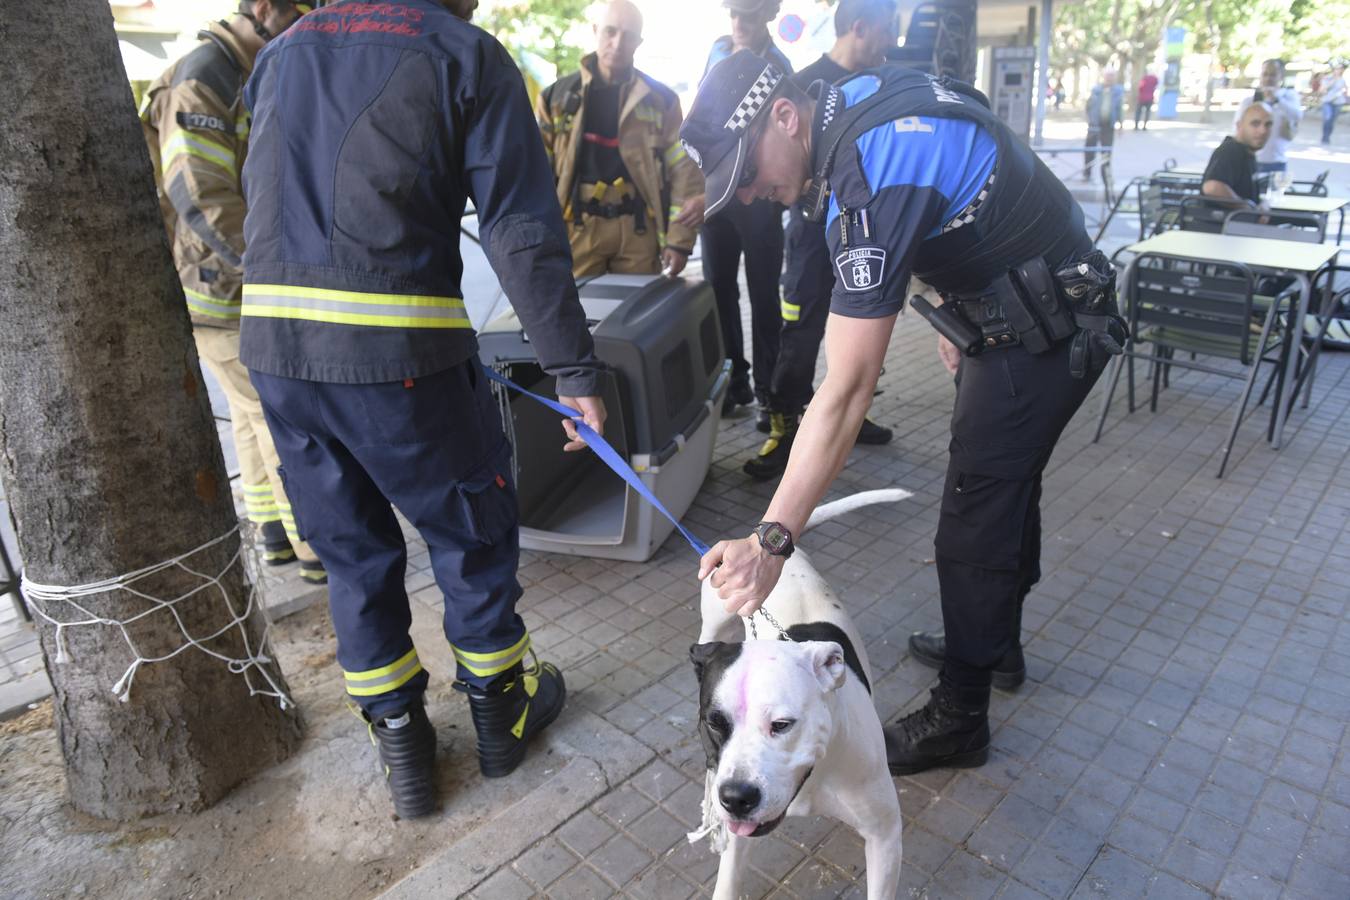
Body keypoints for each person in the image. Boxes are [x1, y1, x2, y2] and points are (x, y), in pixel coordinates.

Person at [683, 51, 1123, 775]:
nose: (754, 194)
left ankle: (962, 711)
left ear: (785, 116)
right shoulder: (854, 98)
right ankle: (996, 640)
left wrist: (771, 542)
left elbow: (850, 387)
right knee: (1006, 483)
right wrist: (962, 300)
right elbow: (958, 149)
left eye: (750, 171)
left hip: (1048, 324)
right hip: (1024, 303)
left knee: (973, 514)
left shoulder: (867, 165)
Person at [239, 0, 607, 818]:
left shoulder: (283, 51)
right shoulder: (462, 53)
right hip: (400, 356)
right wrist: (573, 370)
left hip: (277, 355)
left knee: (351, 553)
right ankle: (501, 715)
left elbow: (258, 189)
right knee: (471, 530)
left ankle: (402, 743)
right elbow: (519, 226)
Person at [140, 0, 327, 586]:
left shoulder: (241, 69)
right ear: (266, 7)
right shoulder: (203, 78)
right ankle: (318, 548)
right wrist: (271, 271)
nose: (308, 23)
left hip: (225, 287)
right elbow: (201, 196)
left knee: (250, 417)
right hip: (229, 291)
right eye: (304, 9)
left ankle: (272, 534)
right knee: (279, 414)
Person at [744, 0, 897, 480]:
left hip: (868, 234)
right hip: (812, 239)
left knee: (860, 327)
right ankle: (785, 425)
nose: (890, 44)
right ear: (860, 27)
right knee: (802, 328)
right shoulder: (807, 84)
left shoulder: (882, 85)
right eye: (886, 31)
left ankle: (852, 412)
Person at [536, 0, 704, 278]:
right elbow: (533, 175)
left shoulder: (661, 100)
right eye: (610, 31)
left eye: (628, 35)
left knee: (637, 317)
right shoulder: (555, 98)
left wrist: (679, 241)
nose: (617, 42)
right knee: (578, 316)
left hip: (638, 231)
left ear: (639, 41)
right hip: (577, 229)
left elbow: (685, 173)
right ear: (595, 31)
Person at [701, 0, 793, 418]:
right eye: (734, 14)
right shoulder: (718, 51)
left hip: (759, 195)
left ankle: (769, 391)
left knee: (763, 294)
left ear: (769, 16)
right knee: (718, 286)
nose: (740, 23)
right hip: (718, 194)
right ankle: (734, 381)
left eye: (750, 16)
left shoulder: (779, 64)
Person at [1234, 59, 1302, 175]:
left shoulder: (1288, 97)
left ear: (1281, 76)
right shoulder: (1249, 101)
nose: (1268, 78)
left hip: (1277, 162)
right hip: (1252, 160)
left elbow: (1297, 115)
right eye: (1265, 74)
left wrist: (1277, 99)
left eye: (1273, 74)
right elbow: (1237, 128)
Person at [1203, 102, 1273, 205]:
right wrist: (1245, 208)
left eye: (1268, 124)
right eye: (1255, 124)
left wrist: (1262, 205)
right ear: (1239, 125)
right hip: (1225, 220)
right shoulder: (1230, 151)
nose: (1263, 131)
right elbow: (1212, 187)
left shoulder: (1247, 152)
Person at [1084, 69, 1123, 185]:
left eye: (1111, 76)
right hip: (1094, 125)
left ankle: (1105, 175)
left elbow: (1119, 109)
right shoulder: (1096, 90)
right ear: (1103, 77)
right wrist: (1089, 119)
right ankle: (1087, 173)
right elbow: (1088, 106)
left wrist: (1121, 125)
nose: (1109, 78)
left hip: (1108, 126)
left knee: (1106, 152)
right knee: (1089, 149)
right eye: (1107, 75)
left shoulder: (1117, 91)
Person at [1321, 64, 1347, 144]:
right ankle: (1325, 136)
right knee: (1327, 118)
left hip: (1338, 102)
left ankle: (1328, 136)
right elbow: (1322, 90)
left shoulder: (1343, 80)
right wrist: (1333, 80)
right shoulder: (1327, 78)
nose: (1338, 70)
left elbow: (1345, 91)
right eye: (1337, 69)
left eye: (1340, 69)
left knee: (1332, 121)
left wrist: (1344, 91)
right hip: (1327, 101)